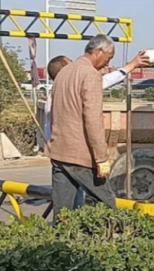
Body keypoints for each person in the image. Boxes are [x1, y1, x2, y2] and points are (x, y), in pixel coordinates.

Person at [45, 34, 120, 221]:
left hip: (59, 152)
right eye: (109, 58)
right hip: (80, 155)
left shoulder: (63, 73)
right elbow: (93, 119)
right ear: (99, 52)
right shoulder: (90, 75)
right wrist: (101, 158)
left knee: (62, 215)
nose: (107, 63)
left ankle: (60, 240)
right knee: (108, 206)